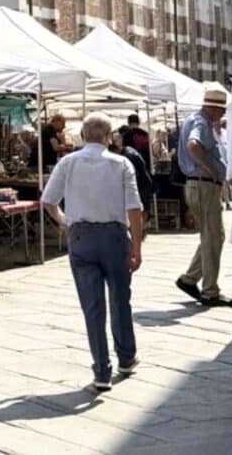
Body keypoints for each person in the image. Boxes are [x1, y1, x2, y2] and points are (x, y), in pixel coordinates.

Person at [42, 113, 144, 392]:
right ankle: (126, 356)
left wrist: (66, 222)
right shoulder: (121, 163)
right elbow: (134, 208)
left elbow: (48, 200)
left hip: (81, 235)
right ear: (109, 137)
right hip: (113, 235)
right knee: (120, 299)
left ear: (84, 136)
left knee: (92, 306)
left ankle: (101, 371)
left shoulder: (68, 162)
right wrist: (136, 245)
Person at [175, 89, 232, 307]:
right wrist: (210, 168)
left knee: (214, 236)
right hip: (203, 184)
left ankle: (190, 279)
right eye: (221, 110)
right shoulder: (200, 122)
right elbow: (194, 145)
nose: (221, 115)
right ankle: (210, 291)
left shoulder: (196, 120)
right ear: (213, 108)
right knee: (212, 237)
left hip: (201, 184)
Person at [113, 127, 154, 220]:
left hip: (141, 186)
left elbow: (135, 177)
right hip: (143, 184)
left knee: (140, 209)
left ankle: (141, 230)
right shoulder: (128, 152)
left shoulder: (128, 156)